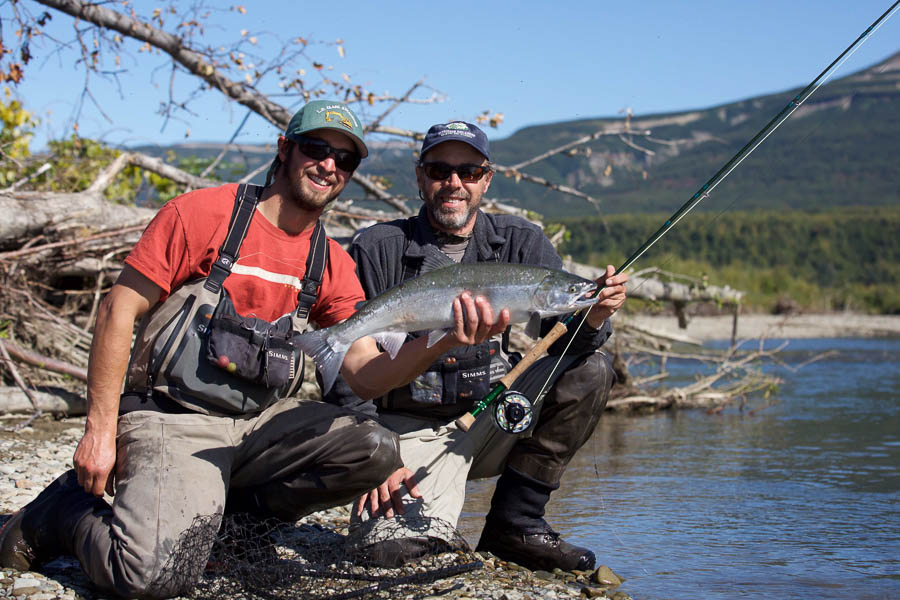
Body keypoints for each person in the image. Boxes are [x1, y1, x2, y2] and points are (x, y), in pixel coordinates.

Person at [0, 102, 507, 599]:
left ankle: (237, 524)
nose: (329, 166)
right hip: (171, 415)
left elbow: (364, 373)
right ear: (284, 149)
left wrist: (445, 339)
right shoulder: (203, 214)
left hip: (257, 424)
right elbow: (117, 310)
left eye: (345, 159)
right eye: (316, 149)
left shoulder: (329, 260)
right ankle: (66, 512)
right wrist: (99, 432)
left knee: (373, 448)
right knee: (149, 577)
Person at [330, 121, 628, 572]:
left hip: (493, 417)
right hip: (404, 432)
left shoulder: (522, 242)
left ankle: (516, 524)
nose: (454, 182)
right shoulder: (377, 248)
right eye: (439, 170)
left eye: (469, 172)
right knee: (392, 555)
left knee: (592, 370)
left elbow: (570, 345)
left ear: (487, 179)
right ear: (420, 176)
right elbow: (346, 370)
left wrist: (595, 315)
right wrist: (371, 458)